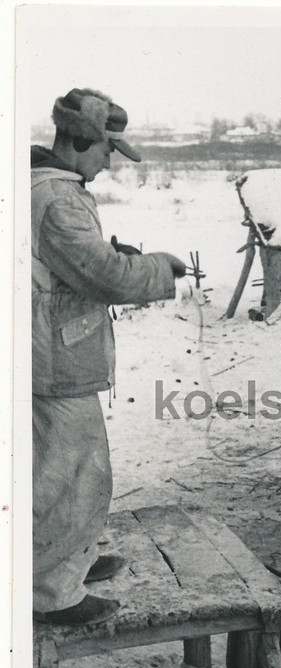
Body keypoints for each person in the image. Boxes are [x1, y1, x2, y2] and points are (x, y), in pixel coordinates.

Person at [31, 88, 187, 626]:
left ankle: (67, 562)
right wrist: (159, 268)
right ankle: (50, 592)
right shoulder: (56, 198)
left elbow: (68, 267)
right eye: (104, 151)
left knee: (62, 470)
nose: (107, 163)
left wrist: (108, 256)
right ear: (77, 139)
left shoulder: (44, 189)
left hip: (51, 352)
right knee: (70, 475)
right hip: (54, 361)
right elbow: (104, 277)